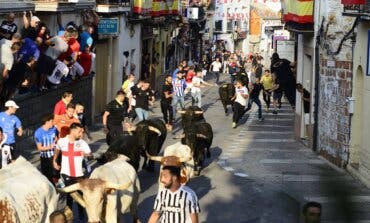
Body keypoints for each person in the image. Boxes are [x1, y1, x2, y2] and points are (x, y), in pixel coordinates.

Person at [53, 122, 91, 213]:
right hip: (66, 172)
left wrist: (86, 154)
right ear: (73, 131)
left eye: (82, 132)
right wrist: (54, 161)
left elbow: (91, 155)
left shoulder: (82, 143)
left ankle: (81, 216)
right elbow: (57, 150)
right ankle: (69, 214)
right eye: (79, 132)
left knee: (80, 194)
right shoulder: (61, 141)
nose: (81, 134)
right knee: (70, 194)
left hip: (79, 174)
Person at [34, 114, 58, 183]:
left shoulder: (54, 129)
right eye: (51, 121)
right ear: (47, 122)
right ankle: (53, 190)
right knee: (47, 176)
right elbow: (39, 148)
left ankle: (57, 189)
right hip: (45, 158)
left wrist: (55, 142)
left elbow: (56, 137)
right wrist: (50, 147)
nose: (53, 123)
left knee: (56, 174)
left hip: (54, 155)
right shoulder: (38, 132)